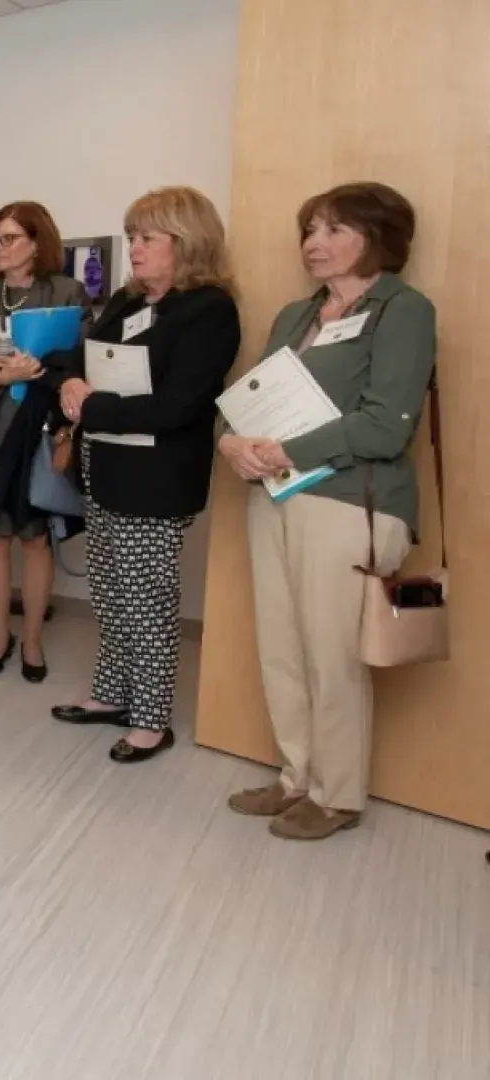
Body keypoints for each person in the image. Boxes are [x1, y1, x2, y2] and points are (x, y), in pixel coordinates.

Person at [217, 182, 435, 839]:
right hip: (278, 495)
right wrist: (231, 441)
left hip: (350, 501)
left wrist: (280, 448)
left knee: (332, 655)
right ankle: (295, 778)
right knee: (281, 646)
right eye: (309, 229)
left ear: (378, 238)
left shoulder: (403, 309)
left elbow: (383, 427)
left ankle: (337, 794)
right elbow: (249, 398)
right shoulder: (295, 315)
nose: (314, 243)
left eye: (334, 229)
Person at [52, 186, 241, 763]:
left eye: (145, 237)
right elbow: (79, 358)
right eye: (132, 236)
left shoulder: (208, 309)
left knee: (146, 599)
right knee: (109, 592)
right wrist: (69, 384)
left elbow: (180, 405)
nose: (133, 247)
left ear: (185, 242)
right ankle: (112, 695)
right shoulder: (126, 303)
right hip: (105, 466)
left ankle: (152, 718)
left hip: (155, 478)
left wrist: (94, 407)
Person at [0, 202, 90, 682]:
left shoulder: (66, 292)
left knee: (33, 537)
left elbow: (82, 364)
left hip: (38, 429)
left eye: (9, 238)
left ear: (37, 242)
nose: (0, 247)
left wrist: (42, 371)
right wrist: (0, 376)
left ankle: (31, 640)